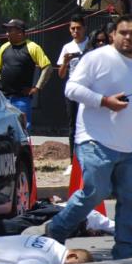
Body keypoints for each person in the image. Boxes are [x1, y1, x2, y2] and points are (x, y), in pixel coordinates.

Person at [45, 14, 132, 259]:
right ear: (113, 35)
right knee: (95, 193)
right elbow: (71, 89)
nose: (128, 37)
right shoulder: (96, 58)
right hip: (94, 139)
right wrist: (104, 101)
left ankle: (126, 252)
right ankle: (56, 230)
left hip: (129, 146)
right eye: (123, 32)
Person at [0, 18, 53, 130]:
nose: (6, 33)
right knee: (4, 132)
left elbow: (48, 68)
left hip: (21, 100)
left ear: (20, 33)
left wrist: (37, 88)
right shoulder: (4, 47)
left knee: (22, 132)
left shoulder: (33, 47)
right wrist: (1, 83)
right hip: (4, 100)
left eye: (10, 30)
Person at [56, 14, 89, 163]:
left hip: (89, 90)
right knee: (72, 126)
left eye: (78, 28)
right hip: (72, 91)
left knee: (88, 124)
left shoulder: (90, 45)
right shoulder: (67, 47)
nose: (76, 31)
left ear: (84, 28)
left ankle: (87, 158)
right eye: (73, 28)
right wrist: (65, 61)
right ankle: (72, 160)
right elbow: (61, 75)